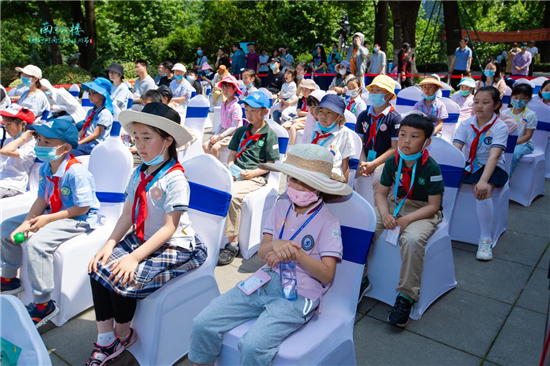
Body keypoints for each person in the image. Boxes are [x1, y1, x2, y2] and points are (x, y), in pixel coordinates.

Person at [189, 143, 351, 366]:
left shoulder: (328, 221)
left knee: (253, 346)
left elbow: (327, 275)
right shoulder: (280, 206)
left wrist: (296, 254)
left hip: (300, 295)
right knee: (203, 322)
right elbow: (264, 250)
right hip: (264, 280)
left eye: (307, 182)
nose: (298, 187)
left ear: (320, 186)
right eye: (294, 179)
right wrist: (277, 244)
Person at [86, 103, 206, 365]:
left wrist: (133, 258)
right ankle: (106, 338)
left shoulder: (174, 179)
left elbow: (169, 228)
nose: (139, 145)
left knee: (122, 275)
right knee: (97, 266)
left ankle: (123, 334)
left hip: (176, 244)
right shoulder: (138, 172)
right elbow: (128, 214)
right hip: (145, 237)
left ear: (168, 140)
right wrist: (110, 243)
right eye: (136, 137)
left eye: (147, 137)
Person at [0, 118, 99, 327]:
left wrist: (46, 220)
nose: (40, 146)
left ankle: (43, 303)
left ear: (66, 148)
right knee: (6, 227)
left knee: (38, 244)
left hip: (79, 219)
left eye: (47, 143)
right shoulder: (46, 168)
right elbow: (42, 200)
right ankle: (9, 279)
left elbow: (82, 208)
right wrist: (26, 223)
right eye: (40, 141)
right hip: (53, 210)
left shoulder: (76, 173)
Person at [362, 113, 444, 327]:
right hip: (392, 204)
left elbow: (434, 206)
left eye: (414, 136)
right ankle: (359, 279)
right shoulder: (392, 161)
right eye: (403, 134)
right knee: (366, 226)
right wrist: (386, 214)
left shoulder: (431, 167)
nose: (406, 140)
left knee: (412, 240)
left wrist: (407, 220)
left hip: (422, 210)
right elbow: (380, 194)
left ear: (427, 142)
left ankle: (406, 296)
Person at [218, 91, 280, 265]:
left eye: (253, 110)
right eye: (247, 109)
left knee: (234, 196)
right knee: (213, 187)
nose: (249, 114)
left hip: (255, 177)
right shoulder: (240, 131)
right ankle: (212, 234)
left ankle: (233, 243)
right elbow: (231, 155)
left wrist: (253, 173)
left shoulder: (269, 135)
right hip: (235, 172)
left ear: (265, 112)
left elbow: (270, 163)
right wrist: (230, 167)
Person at [453, 86, 509, 261]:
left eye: (485, 103)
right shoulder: (466, 124)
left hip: (492, 167)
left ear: (496, 104)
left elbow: (494, 156)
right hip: (470, 165)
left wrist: (484, 181)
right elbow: (456, 150)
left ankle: (485, 239)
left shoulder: (500, 127)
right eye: (476, 102)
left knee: (481, 190)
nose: (479, 106)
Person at [356, 75, 401, 194]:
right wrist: (363, 162)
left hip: (385, 162)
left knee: (379, 178)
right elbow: (359, 142)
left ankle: (379, 210)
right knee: (347, 171)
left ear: (389, 95)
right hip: (365, 158)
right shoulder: (363, 116)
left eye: (378, 90)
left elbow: (395, 147)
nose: (374, 93)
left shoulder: (395, 118)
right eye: (372, 90)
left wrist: (373, 164)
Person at [308, 94, 356, 180]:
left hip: (332, 177)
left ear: (339, 117)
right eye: (321, 111)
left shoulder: (344, 133)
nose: (323, 116)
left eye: (329, 112)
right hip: (312, 173)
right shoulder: (314, 131)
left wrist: (345, 187)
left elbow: (345, 164)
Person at [500, 83, 537, 177]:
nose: (518, 100)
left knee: (513, 154)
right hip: (505, 142)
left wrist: (513, 143)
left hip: (523, 144)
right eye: (515, 97)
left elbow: (528, 136)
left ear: (528, 99)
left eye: (522, 98)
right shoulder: (505, 112)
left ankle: (505, 179)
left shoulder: (531, 115)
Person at [0, 104, 36, 198]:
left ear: (23, 124)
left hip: (11, 185)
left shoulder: (32, 145)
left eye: (8, 124)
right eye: (4, 124)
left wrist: (23, 137)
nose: (5, 128)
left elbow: (5, 151)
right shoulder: (10, 140)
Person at [203, 75, 243, 160]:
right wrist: (216, 134)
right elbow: (221, 123)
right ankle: (213, 163)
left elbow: (234, 126)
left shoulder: (236, 106)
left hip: (233, 134)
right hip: (223, 132)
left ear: (235, 89)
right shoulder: (223, 105)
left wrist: (220, 136)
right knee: (205, 145)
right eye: (223, 88)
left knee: (215, 148)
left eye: (228, 88)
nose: (225, 90)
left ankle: (218, 169)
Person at [73, 77, 114, 156]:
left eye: (93, 93)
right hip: (86, 141)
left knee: (70, 153)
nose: (89, 96)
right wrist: (74, 140)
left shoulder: (105, 113)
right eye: (89, 93)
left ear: (102, 95)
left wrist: (78, 143)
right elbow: (83, 130)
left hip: (96, 144)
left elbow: (95, 135)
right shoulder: (91, 111)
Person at [282, 79, 317, 146]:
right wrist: (302, 116)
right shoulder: (301, 100)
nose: (304, 92)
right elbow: (298, 112)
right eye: (303, 90)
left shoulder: (313, 102)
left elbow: (311, 115)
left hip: (307, 120)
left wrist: (300, 118)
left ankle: (291, 147)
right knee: (284, 126)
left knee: (293, 127)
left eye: (306, 90)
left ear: (312, 90)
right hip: (299, 118)